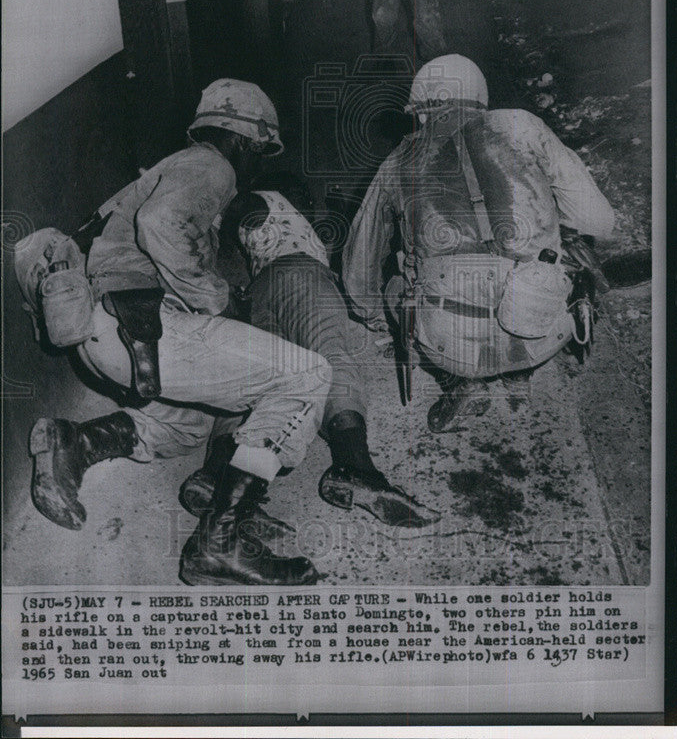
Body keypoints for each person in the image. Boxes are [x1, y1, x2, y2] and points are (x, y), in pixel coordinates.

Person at [21, 79, 332, 586]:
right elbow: (162, 223)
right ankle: (220, 543)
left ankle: (74, 442)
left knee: (187, 425)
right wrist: (220, 300)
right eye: (261, 153)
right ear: (246, 140)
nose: (256, 166)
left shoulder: (169, 168)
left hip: (103, 334)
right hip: (139, 326)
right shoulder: (212, 164)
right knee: (306, 374)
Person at [341, 55, 616, 431]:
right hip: (544, 329)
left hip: (450, 346)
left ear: (422, 113)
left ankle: (461, 384)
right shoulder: (523, 125)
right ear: (481, 100)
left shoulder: (397, 161)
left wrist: (377, 320)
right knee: (566, 251)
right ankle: (521, 369)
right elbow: (599, 221)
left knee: (395, 288)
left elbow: (359, 270)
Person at [179, 173, 438, 529]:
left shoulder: (269, 233)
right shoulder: (270, 199)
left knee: (257, 385)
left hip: (261, 295)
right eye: (304, 196)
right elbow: (237, 203)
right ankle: (354, 466)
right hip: (300, 277)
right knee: (332, 355)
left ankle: (221, 478)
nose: (310, 204)